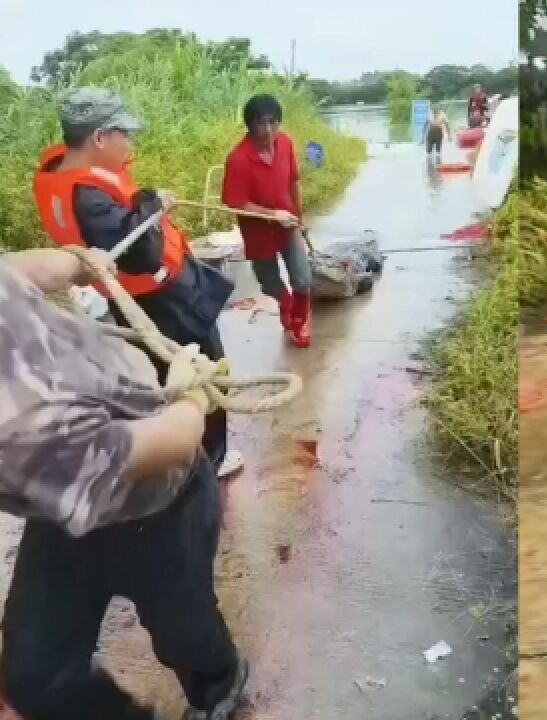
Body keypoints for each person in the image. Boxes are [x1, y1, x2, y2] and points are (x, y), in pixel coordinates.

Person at [0, 246, 249, 720]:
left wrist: (190, 398)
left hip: (159, 496)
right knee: (35, 676)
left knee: (183, 630)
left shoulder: (20, 428)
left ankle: (219, 687)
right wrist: (192, 398)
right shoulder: (23, 434)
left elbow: (171, 443)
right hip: (59, 501)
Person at [33, 86, 243, 480]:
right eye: (124, 133)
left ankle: (187, 454)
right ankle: (208, 462)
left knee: (164, 375)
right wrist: (152, 203)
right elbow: (141, 254)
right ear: (99, 138)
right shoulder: (89, 198)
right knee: (204, 374)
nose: (130, 141)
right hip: (162, 300)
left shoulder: (61, 173)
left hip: (141, 296)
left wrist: (150, 204)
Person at [221, 94, 315, 349]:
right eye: (261, 124)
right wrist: (272, 215)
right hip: (258, 232)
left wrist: (298, 216)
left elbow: (294, 180)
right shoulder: (239, 159)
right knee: (270, 283)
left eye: (273, 123)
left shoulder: (285, 144)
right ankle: (286, 307)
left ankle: (300, 320)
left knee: (303, 279)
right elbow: (236, 202)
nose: (268, 130)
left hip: (288, 224)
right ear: (249, 125)